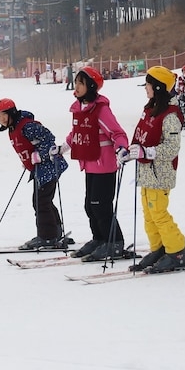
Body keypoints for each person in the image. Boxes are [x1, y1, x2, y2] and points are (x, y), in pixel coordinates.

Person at [125, 67, 185, 273]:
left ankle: (177, 251)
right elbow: (141, 136)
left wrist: (146, 152)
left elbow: (172, 148)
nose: (145, 89)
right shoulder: (151, 109)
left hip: (160, 173)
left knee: (159, 213)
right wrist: (130, 152)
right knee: (149, 214)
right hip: (146, 172)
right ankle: (159, 248)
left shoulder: (170, 114)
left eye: (147, 85)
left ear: (158, 87)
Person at [59, 66, 130, 261]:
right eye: (76, 83)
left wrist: (122, 148)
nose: (77, 86)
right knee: (90, 206)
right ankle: (99, 239)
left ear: (91, 86)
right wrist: (62, 148)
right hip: (90, 164)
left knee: (101, 206)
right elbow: (76, 133)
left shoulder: (101, 109)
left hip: (105, 164)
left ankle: (114, 242)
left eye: (81, 83)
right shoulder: (80, 109)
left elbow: (117, 132)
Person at [0, 98, 70, 250]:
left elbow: (49, 139)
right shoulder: (13, 128)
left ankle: (47, 237)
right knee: (44, 200)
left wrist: (39, 155)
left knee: (40, 202)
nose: (1, 119)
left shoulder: (27, 126)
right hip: (39, 169)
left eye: (3, 115)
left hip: (48, 166)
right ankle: (55, 232)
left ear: (12, 112)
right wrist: (27, 160)